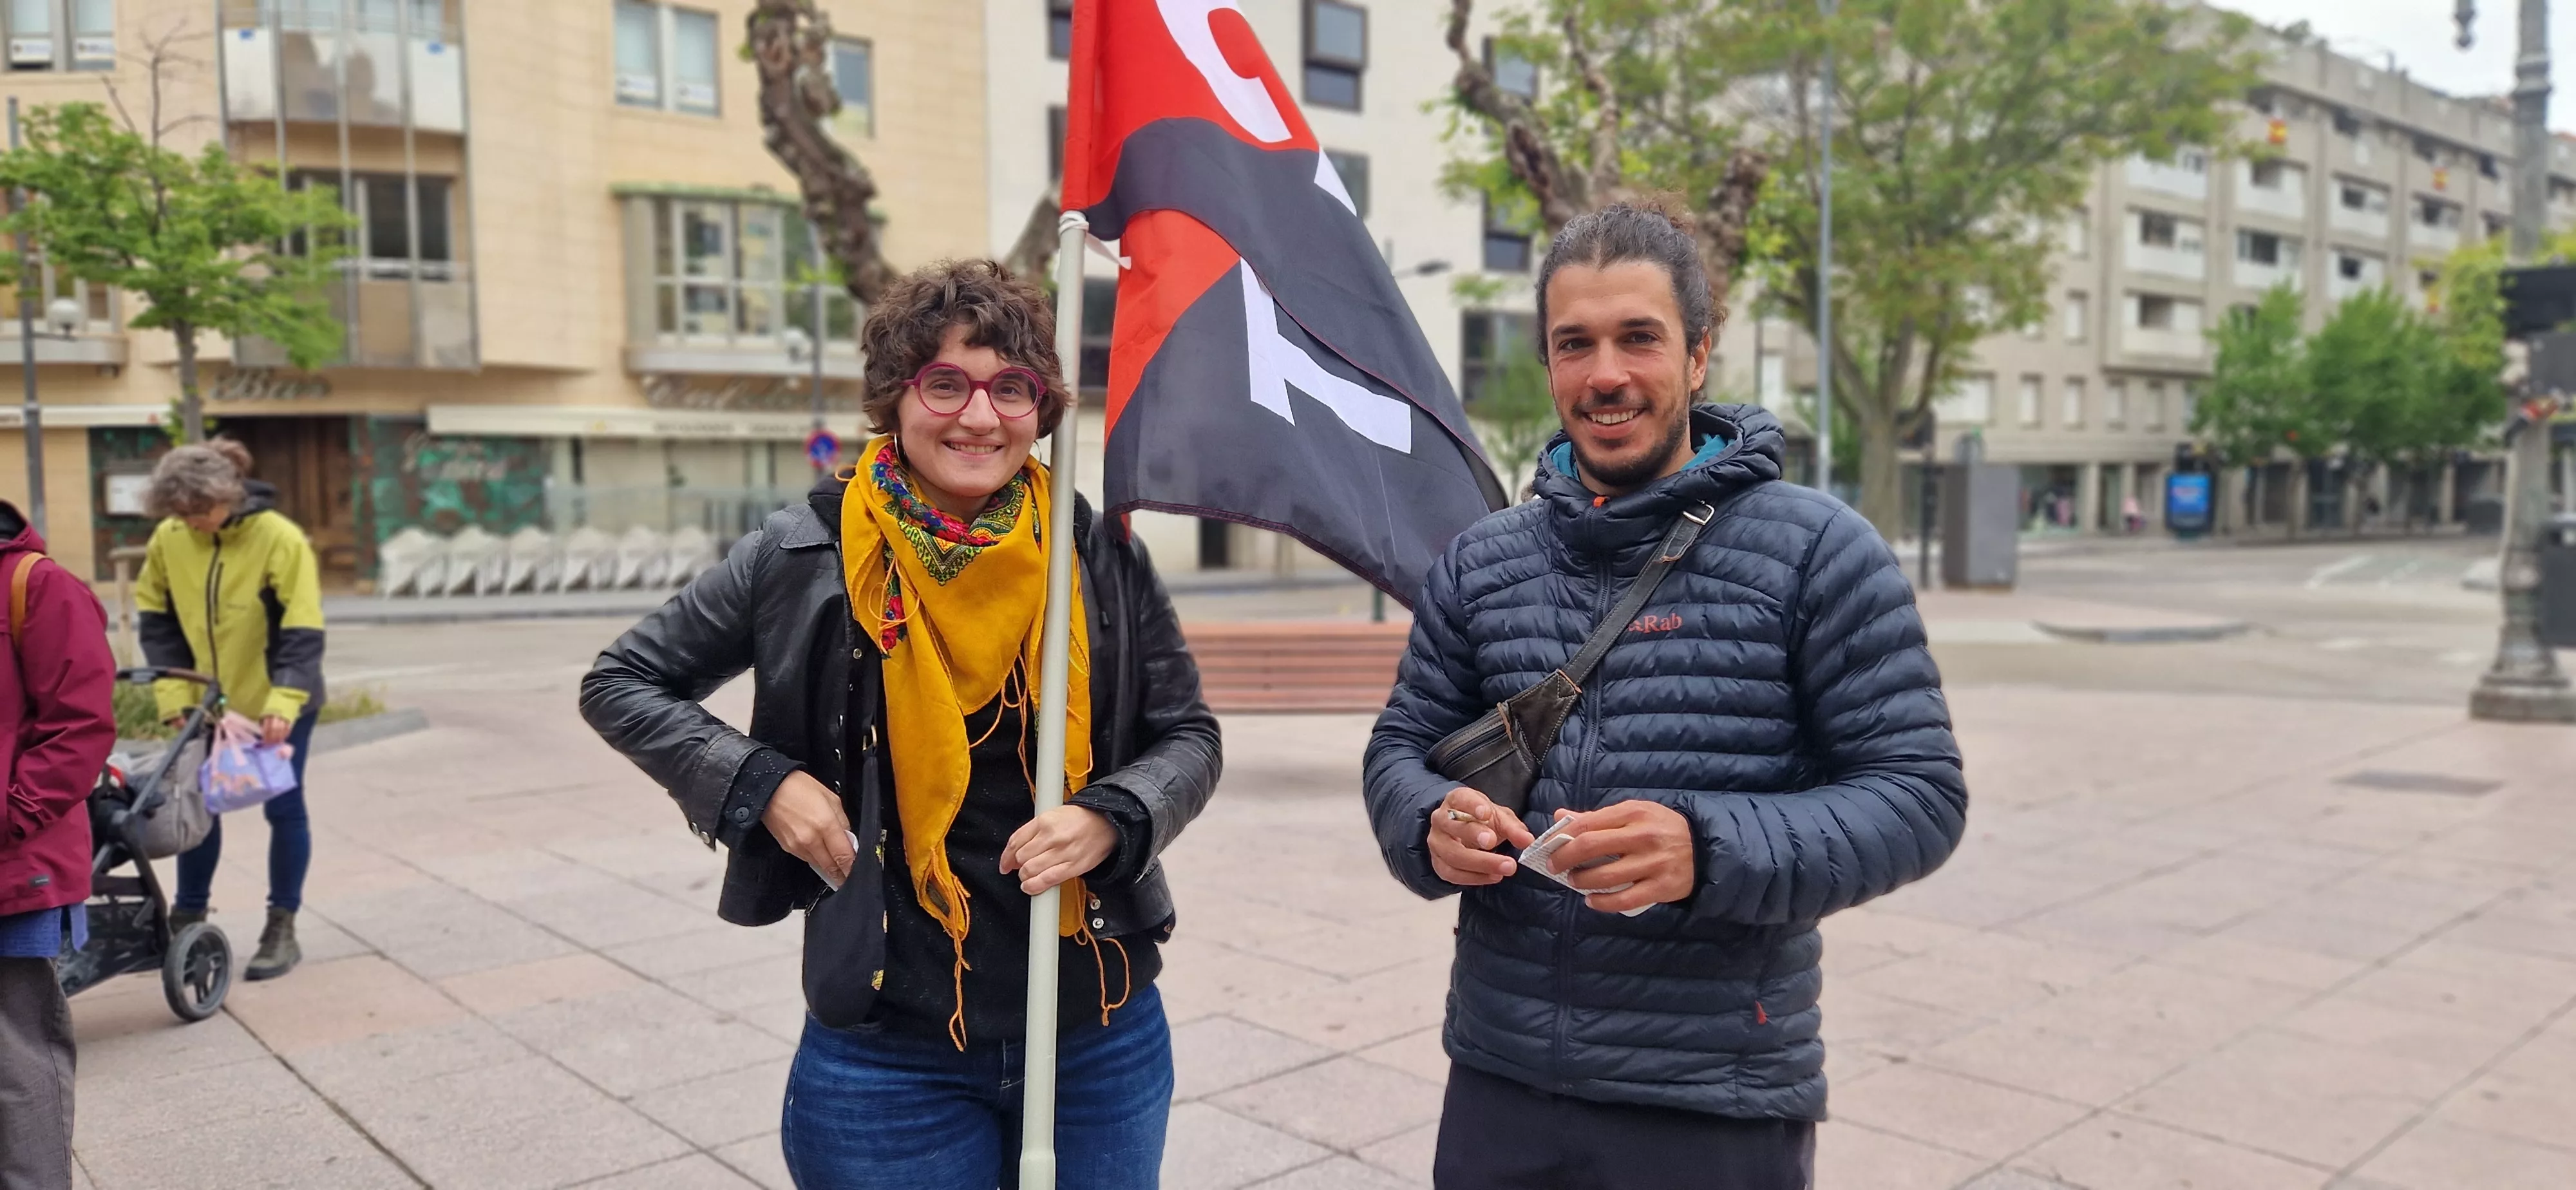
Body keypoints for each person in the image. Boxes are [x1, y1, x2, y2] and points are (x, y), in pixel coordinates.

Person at [1365, 203, 1969, 1190]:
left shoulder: (1819, 549)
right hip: (1503, 1078)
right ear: (1550, 364)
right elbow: (1402, 745)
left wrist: (1707, 847)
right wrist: (1428, 819)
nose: (1606, 373)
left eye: (1638, 337)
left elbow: (1918, 797)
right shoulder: (1483, 560)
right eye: (1575, 344)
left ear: (1697, 357)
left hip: (1714, 1096)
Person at [583, 259, 1220, 1190]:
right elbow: (624, 680)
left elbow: (1188, 735)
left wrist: (1115, 813)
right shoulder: (803, 548)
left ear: (1043, 408)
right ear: (896, 397)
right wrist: (764, 785)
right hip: (888, 1056)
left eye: (1012, 387)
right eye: (946, 383)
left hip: (1096, 1032)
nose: (979, 415)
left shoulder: (1095, 552)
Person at [135, 442, 326, 982]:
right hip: (206, 703)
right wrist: (175, 697)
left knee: (284, 808)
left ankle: (281, 927)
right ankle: (187, 917)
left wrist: (283, 702)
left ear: (226, 497)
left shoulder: (280, 538)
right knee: (197, 809)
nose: (191, 523)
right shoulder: (170, 538)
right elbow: (157, 619)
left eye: (200, 512)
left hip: (279, 700)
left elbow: (302, 630)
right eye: (180, 514)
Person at [0, 496, 116, 1189]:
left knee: (15, 1059)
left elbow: (79, 726)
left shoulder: (37, 585)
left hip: (13, 866)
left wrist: (9, 817)